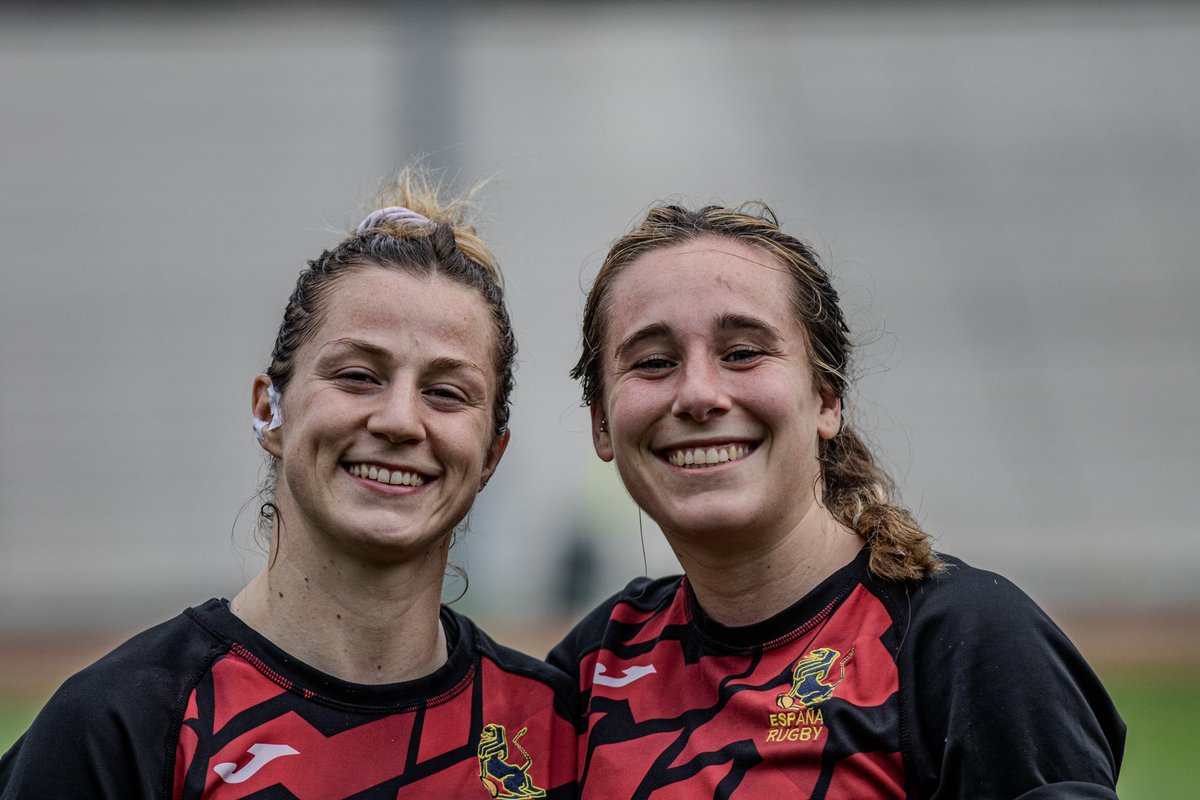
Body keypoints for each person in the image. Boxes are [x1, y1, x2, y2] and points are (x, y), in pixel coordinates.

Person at [0, 170, 576, 798]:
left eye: (445, 393)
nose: (399, 420)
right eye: (358, 376)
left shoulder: (550, 731)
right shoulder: (123, 725)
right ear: (268, 411)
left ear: (491, 454)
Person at [549, 202, 1125, 798]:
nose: (698, 394)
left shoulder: (966, 642)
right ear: (601, 425)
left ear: (826, 399)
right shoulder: (597, 664)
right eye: (653, 362)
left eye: (743, 352)